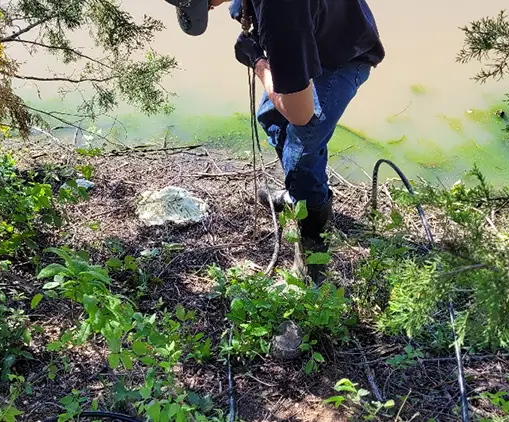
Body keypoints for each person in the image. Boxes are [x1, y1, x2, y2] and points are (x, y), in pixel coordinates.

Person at [164, 0, 384, 282]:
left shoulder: (280, 10)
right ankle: (298, 193)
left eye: (204, 4)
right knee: (270, 116)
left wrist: (258, 62)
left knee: (302, 150)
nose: (207, 9)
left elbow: (301, 114)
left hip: (341, 53)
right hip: (311, 30)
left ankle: (313, 255)